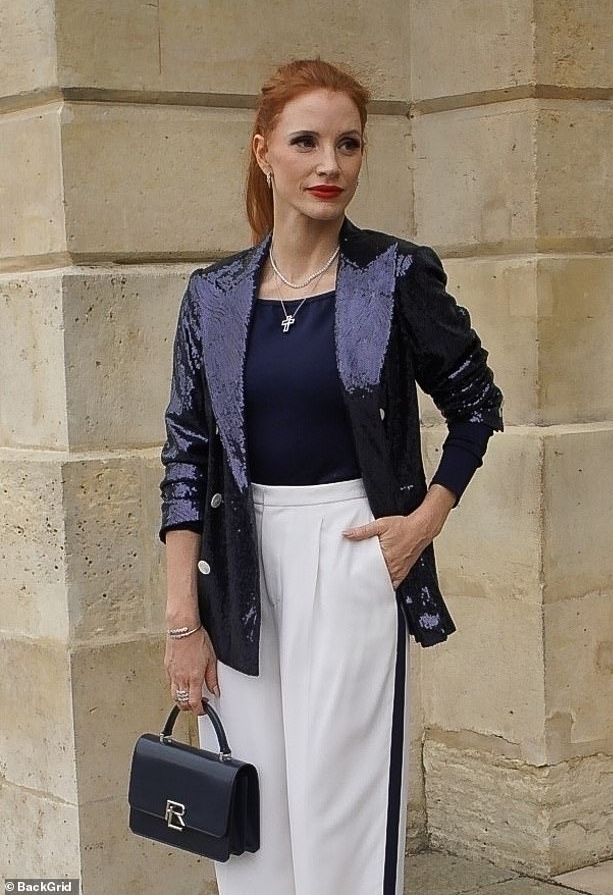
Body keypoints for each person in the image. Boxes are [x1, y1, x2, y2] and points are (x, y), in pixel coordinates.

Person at [159, 58, 503, 895]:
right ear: (264, 153)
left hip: (352, 547)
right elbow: (185, 454)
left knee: (341, 805)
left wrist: (424, 521)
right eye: (307, 142)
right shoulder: (213, 294)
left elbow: (476, 404)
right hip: (237, 565)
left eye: (348, 144)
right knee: (250, 813)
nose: (330, 164)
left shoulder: (394, 275)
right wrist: (182, 620)